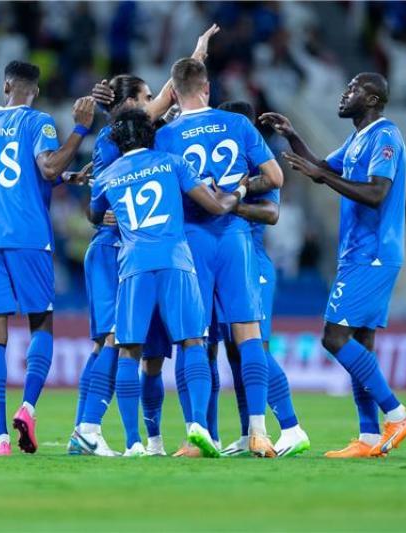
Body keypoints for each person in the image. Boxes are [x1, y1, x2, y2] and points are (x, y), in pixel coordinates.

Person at [69, 24, 220, 458]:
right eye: (145, 96)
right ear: (130, 104)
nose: (154, 102)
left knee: (140, 351)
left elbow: (95, 203)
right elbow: (175, 94)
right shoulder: (128, 144)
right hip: (116, 248)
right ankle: (88, 427)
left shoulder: (121, 156)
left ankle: (141, 440)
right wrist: (196, 57)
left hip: (132, 251)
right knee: (113, 342)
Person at [260, 72, 406, 458]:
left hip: (373, 252)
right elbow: (323, 169)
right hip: (358, 253)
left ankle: (397, 414)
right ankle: (368, 437)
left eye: (353, 89)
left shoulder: (385, 136)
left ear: (373, 99)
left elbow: (376, 193)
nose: (345, 94)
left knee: (334, 338)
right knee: (360, 344)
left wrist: (321, 175)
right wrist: (292, 135)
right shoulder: (357, 139)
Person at [87, 108, 245, 457]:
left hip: (134, 266)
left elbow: (94, 214)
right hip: (176, 261)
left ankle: (133, 442)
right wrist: (240, 191)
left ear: (117, 140)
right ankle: (198, 426)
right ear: (151, 134)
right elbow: (216, 206)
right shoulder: (173, 162)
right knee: (193, 342)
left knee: (129, 350)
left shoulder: (106, 177)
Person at [155, 58, 284, 457]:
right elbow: (276, 178)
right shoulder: (238, 124)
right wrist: (238, 191)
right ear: (207, 88)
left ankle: (197, 436)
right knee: (249, 334)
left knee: (193, 337)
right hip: (235, 238)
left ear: (174, 93)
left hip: (191, 240)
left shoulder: (166, 135)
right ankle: (258, 432)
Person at [0, 60, 95, 457]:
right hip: (27, 236)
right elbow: (47, 165)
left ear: (6, 86)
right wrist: (80, 129)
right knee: (41, 322)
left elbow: (22, 174)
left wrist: (63, 177)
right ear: (34, 91)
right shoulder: (38, 121)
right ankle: (27, 408)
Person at [213, 100, 310, 458]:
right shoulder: (228, 166)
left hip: (253, 265)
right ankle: (247, 433)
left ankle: (291, 428)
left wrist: (229, 202)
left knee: (257, 348)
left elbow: (271, 213)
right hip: (230, 264)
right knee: (236, 354)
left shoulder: (259, 166)